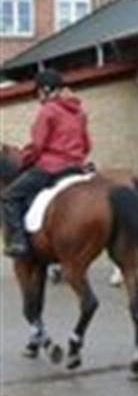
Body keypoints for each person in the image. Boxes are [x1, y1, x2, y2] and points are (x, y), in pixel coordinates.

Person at [2, 69, 91, 258]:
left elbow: (37, 146)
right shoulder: (79, 113)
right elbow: (87, 145)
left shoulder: (48, 110)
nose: (38, 98)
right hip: (76, 167)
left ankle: (18, 241)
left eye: (38, 93)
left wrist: (24, 160)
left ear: (45, 90)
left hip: (51, 167)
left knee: (9, 196)